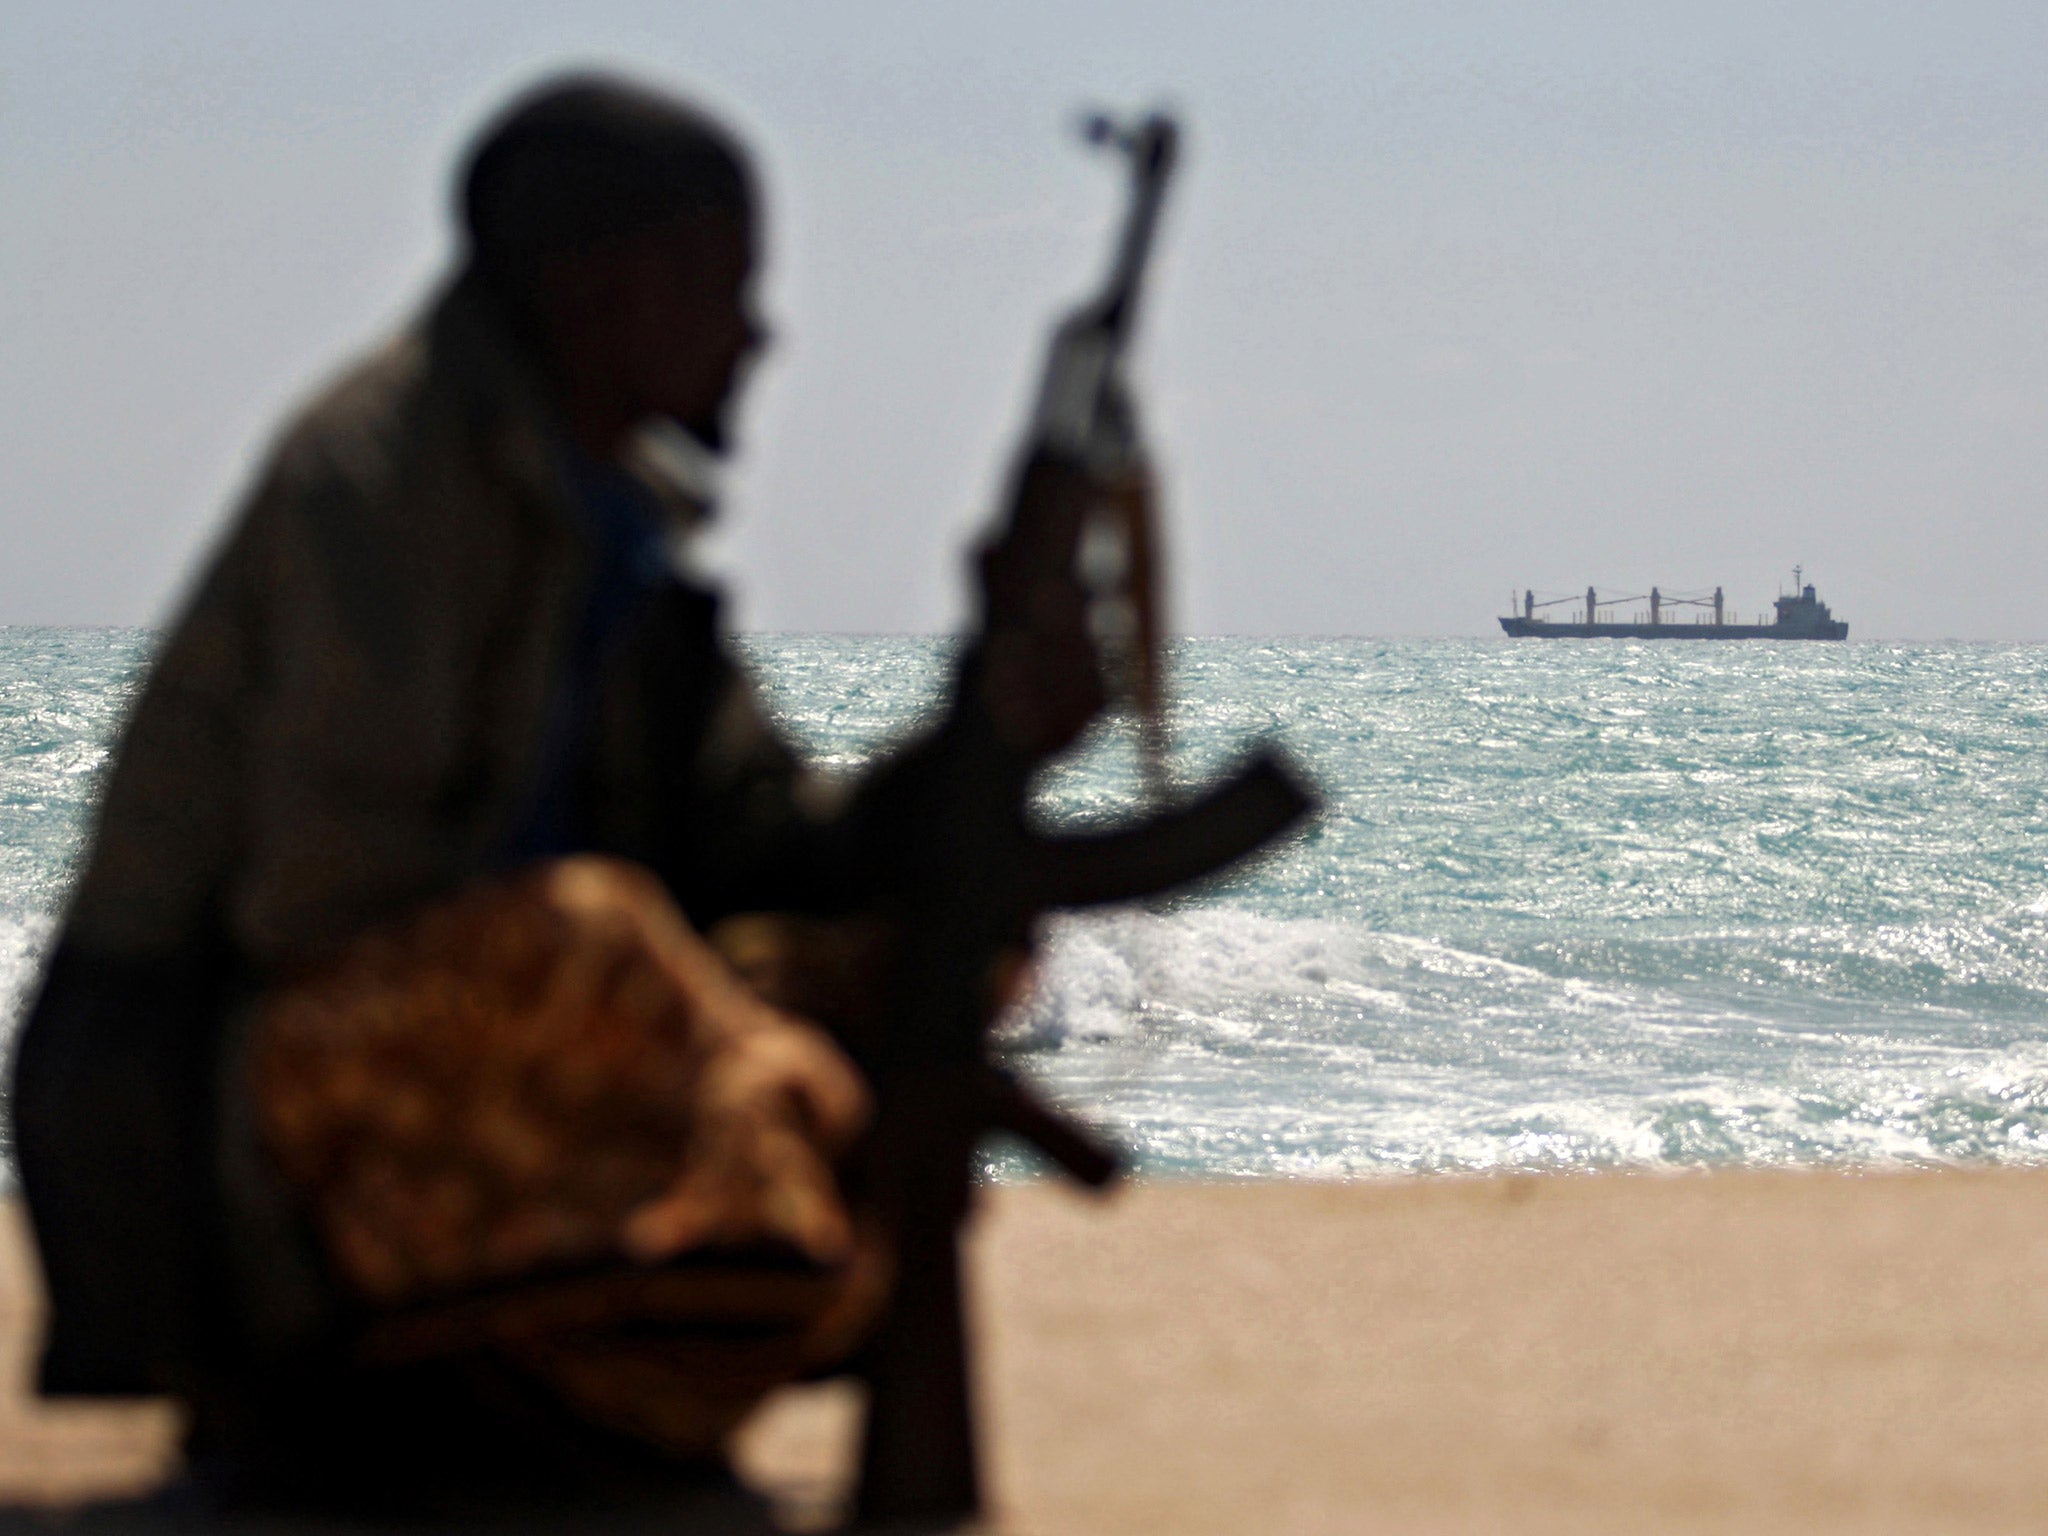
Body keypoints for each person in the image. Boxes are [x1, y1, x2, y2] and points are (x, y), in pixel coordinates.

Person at [8, 73, 1115, 1518]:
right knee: (595, 936)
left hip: (453, 1034)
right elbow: (321, 907)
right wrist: (699, 1017)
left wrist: (988, 728)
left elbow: (773, 840)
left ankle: (616, 1391)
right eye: (724, 286)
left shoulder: (619, 537)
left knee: (916, 954)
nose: (757, 335)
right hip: (214, 1091)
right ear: (603, 293)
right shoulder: (386, 481)